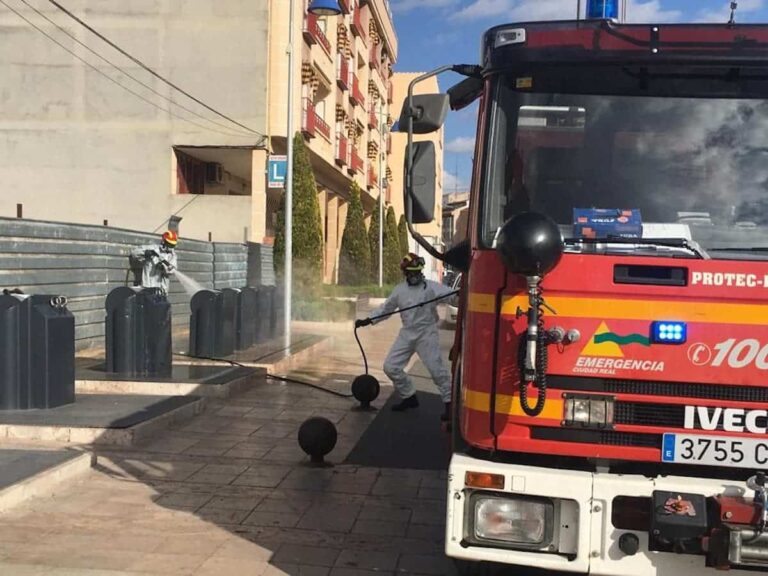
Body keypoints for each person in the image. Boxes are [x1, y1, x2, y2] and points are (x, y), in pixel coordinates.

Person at [355, 253, 455, 420]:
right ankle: (409, 397)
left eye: (417, 272)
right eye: (411, 273)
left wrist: (462, 293)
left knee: (437, 371)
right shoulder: (400, 290)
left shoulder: (431, 287)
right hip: (407, 333)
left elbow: (453, 295)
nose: (414, 276)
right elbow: (386, 309)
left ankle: (449, 404)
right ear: (406, 273)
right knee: (390, 366)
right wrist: (368, 320)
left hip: (426, 333)